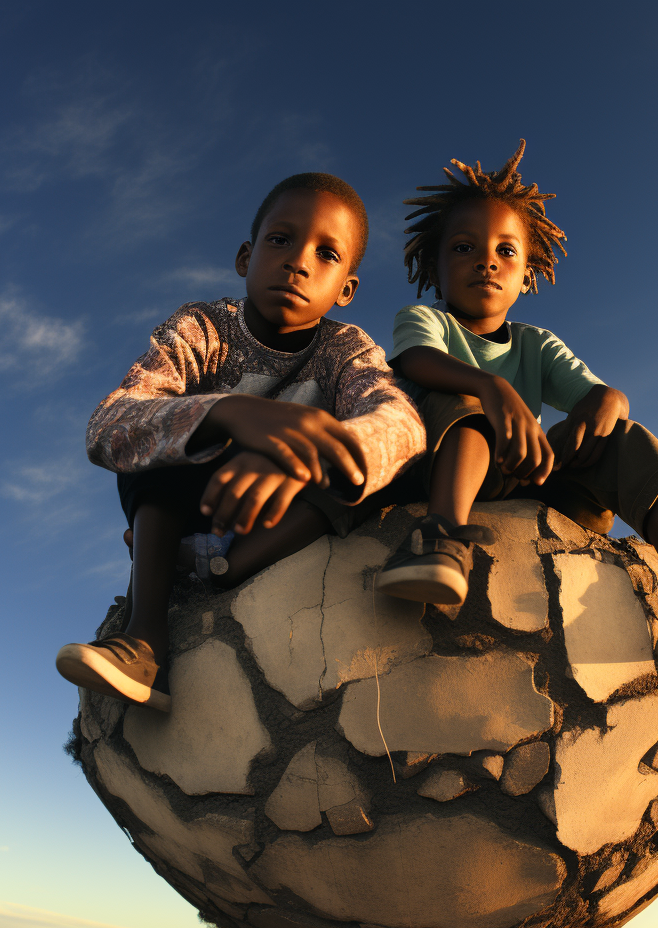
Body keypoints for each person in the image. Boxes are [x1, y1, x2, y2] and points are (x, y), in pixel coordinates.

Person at [375, 142, 658, 663]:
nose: (487, 261)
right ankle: (438, 538)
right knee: (461, 400)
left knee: (626, 438)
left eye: (505, 251)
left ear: (527, 270)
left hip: (524, 472)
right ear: (435, 264)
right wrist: (492, 388)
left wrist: (603, 409)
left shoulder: (536, 342)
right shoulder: (425, 321)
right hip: (441, 466)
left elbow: (601, 394)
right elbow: (415, 361)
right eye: (464, 248)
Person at [56, 173, 426, 711]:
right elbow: (109, 424)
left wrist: (309, 455)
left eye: (326, 254)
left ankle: (225, 565)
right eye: (281, 240)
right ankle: (144, 641)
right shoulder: (205, 328)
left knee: (387, 464)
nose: (298, 261)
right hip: (202, 499)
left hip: (284, 517)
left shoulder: (346, 349)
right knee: (152, 441)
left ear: (346, 288)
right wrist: (229, 412)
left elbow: (401, 421)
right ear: (245, 257)